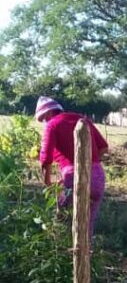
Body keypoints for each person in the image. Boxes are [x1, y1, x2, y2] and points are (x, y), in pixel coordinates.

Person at [36, 97, 109, 239]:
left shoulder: (52, 125)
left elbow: (46, 159)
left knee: (61, 218)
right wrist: (90, 165)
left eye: (44, 118)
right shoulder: (83, 120)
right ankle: (85, 256)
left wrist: (48, 184)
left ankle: (59, 253)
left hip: (74, 177)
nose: (45, 122)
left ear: (49, 113)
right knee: (87, 225)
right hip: (97, 177)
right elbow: (104, 148)